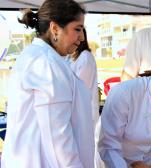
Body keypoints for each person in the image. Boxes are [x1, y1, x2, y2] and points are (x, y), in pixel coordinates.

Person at [1, 0, 95, 167]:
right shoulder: (46, 64)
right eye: (77, 29)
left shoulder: (38, 56)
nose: (82, 37)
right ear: (55, 29)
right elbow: (57, 139)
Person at [70, 28, 99, 126]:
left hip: (84, 114)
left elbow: (80, 89)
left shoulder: (85, 57)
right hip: (78, 113)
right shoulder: (74, 57)